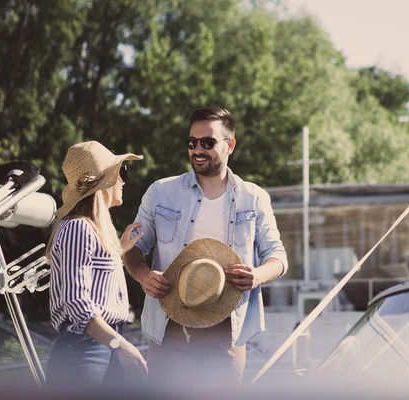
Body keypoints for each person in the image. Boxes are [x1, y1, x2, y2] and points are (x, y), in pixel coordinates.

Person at [123, 107, 288, 388]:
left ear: (230, 145)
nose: (197, 150)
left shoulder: (254, 198)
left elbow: (278, 256)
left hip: (227, 332)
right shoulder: (160, 192)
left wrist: (257, 275)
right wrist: (142, 276)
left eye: (207, 142)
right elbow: (131, 249)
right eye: (192, 142)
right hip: (168, 329)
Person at [45, 140, 148, 389]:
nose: (124, 180)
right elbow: (76, 301)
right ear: (106, 181)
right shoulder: (78, 228)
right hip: (86, 350)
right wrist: (119, 345)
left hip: (98, 345)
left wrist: (119, 248)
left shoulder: (90, 230)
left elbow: (96, 284)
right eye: (121, 172)